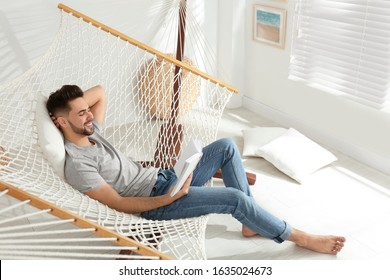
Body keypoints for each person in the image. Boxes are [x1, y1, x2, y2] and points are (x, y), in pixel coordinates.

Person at [46, 84, 346, 255]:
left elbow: (99, 92)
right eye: (81, 112)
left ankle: (250, 223)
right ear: (60, 121)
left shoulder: (90, 130)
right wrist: (168, 199)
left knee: (226, 145)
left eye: (87, 110)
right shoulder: (78, 165)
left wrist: (70, 107)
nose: (89, 115)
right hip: (156, 203)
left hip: (166, 179)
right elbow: (120, 204)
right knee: (234, 199)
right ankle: (302, 237)